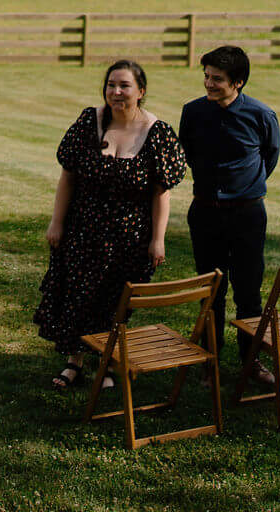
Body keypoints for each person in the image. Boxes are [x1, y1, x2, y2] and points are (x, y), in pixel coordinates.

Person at [35, 59, 187, 390]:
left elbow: (161, 193)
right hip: (82, 229)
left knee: (112, 301)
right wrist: (56, 223)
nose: (116, 92)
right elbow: (68, 177)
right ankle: (74, 361)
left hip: (129, 236)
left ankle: (103, 364)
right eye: (111, 85)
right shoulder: (90, 121)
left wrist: (158, 240)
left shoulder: (157, 132)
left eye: (124, 86)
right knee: (76, 294)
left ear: (141, 91)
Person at [177, 45, 280, 385]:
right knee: (211, 290)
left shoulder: (261, 115)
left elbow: (269, 156)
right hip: (205, 213)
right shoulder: (192, 113)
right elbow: (188, 153)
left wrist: (244, 187)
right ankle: (210, 360)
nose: (208, 84)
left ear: (238, 82)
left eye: (217, 79)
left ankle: (250, 361)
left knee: (248, 290)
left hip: (248, 215)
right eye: (206, 77)